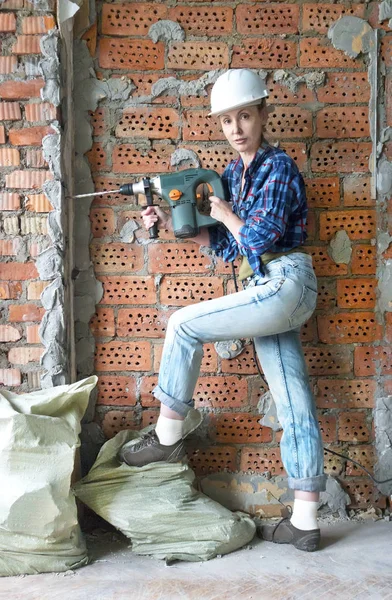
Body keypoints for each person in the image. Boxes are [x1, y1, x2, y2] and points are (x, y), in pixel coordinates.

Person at [119, 69, 326, 552]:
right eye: (227, 120)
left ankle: (167, 434)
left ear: (262, 115)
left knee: (183, 324)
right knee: (293, 401)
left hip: (287, 281)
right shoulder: (232, 175)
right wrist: (173, 220)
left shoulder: (279, 167)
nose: (236, 128)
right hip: (265, 286)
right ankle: (306, 521)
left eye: (245, 116)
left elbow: (255, 237)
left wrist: (225, 212)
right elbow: (229, 250)